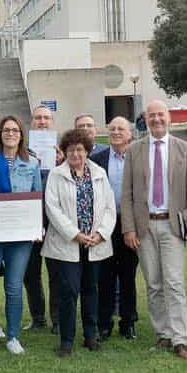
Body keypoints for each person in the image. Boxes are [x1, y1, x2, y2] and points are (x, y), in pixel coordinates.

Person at [120, 99, 187, 359]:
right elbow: (127, 194)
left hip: (172, 225)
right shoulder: (134, 150)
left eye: (160, 115)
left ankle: (180, 339)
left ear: (169, 118)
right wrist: (129, 229)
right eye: (151, 115)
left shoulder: (183, 148)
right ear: (146, 119)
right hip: (144, 227)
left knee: (175, 283)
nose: (156, 119)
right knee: (154, 283)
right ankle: (163, 335)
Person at [44, 128, 116, 355]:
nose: (75, 154)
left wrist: (101, 234)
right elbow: (52, 209)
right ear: (64, 152)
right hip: (68, 243)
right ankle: (66, 340)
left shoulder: (99, 173)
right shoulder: (56, 175)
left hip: (94, 243)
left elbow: (109, 207)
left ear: (87, 151)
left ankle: (90, 336)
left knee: (91, 290)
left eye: (80, 150)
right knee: (69, 291)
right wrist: (74, 234)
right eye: (71, 150)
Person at [0, 115, 42, 354]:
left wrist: (36, 228)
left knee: (14, 287)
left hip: (20, 236)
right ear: (0, 134)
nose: (10, 134)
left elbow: (37, 197)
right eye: (6, 130)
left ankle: (13, 337)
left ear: (21, 134)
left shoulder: (32, 163)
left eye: (15, 130)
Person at [93, 116, 139, 340]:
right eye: (112, 129)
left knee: (128, 275)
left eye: (121, 129)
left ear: (130, 134)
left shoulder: (139, 157)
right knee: (105, 276)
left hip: (130, 224)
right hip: (104, 226)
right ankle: (104, 323)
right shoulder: (97, 159)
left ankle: (128, 321)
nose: (116, 132)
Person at [23, 102, 61, 331]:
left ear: (52, 123)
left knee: (56, 270)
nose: (42, 122)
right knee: (31, 271)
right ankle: (38, 318)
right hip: (30, 218)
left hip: (55, 219)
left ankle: (57, 319)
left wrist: (62, 162)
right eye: (38, 118)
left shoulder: (62, 152)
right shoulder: (22, 151)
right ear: (32, 123)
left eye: (46, 118)